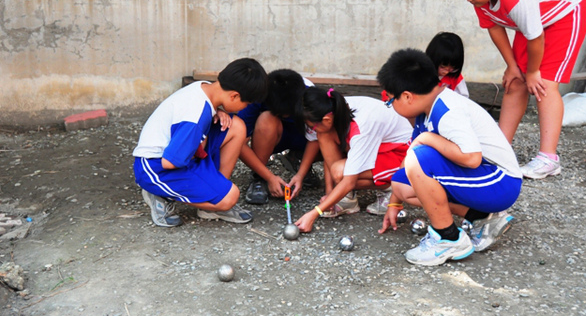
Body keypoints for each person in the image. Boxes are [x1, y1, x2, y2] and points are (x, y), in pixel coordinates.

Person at [377, 48, 523, 266]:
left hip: (500, 183)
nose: (391, 106)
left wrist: (427, 138)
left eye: (390, 100)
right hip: (483, 178)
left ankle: (448, 238)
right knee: (401, 184)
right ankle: (482, 219)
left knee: (418, 158)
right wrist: (393, 204)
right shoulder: (425, 110)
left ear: (407, 96)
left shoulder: (447, 111)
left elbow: (472, 158)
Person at [453, 0, 586, 179]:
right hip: (536, 21)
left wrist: (533, 72)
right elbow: (494, 28)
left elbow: (535, 37)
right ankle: (498, 148)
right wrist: (512, 66)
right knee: (515, 81)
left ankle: (548, 159)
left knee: (543, 83)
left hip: (565, 13)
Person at [133, 58, 268, 227]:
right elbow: (170, 162)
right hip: (155, 166)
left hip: (182, 153)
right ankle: (159, 194)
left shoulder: (206, 87)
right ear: (234, 95)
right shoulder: (196, 116)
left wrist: (216, 111)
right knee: (230, 197)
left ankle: (211, 199)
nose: (244, 108)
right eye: (246, 104)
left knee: (237, 126)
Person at [294, 87, 413, 233]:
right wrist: (330, 193)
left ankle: (391, 189)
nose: (311, 130)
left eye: (312, 126)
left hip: (400, 154)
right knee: (324, 136)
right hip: (379, 146)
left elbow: (349, 181)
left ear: (326, 119)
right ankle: (347, 200)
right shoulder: (333, 108)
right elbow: (327, 154)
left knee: (341, 172)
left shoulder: (363, 125)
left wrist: (314, 213)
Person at [238, 69, 319, 205]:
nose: (285, 116)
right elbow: (238, 142)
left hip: (304, 138)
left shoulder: (311, 96)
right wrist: (269, 176)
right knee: (267, 119)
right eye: (280, 113)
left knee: (328, 133)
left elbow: (318, 139)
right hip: (275, 138)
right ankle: (259, 178)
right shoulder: (259, 95)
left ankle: (297, 159)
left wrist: (301, 174)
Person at [426, 32, 469, 98]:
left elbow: (464, 97)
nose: (446, 71)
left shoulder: (456, 78)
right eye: (443, 67)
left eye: (453, 68)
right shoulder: (423, 76)